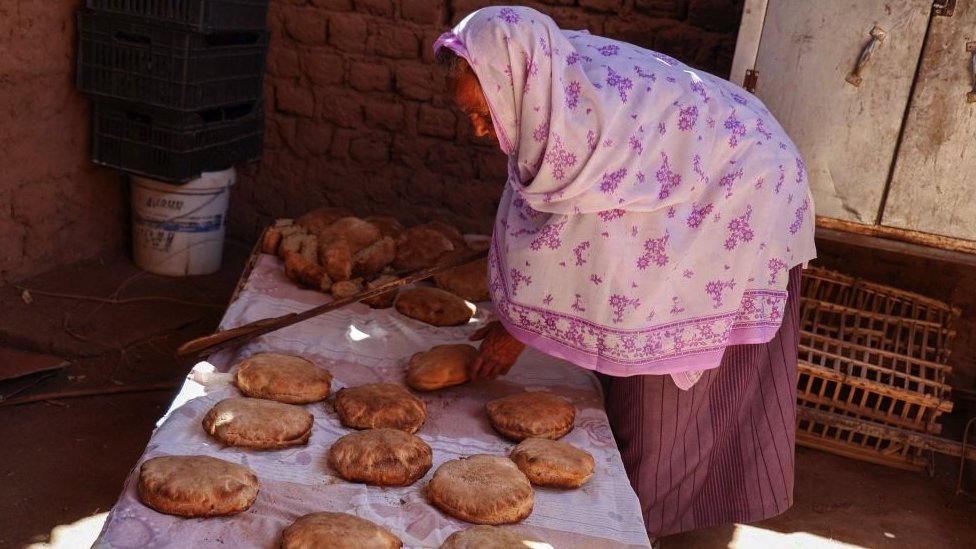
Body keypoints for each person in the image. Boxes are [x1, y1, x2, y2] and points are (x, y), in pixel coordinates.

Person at [433, 5, 816, 545]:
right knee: (632, 362)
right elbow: (549, 217)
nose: (478, 131)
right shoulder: (548, 92)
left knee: (656, 378)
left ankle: (637, 527)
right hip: (706, 176)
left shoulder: (595, 124)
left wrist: (514, 329)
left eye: (483, 114)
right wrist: (516, 314)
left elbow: (592, 246)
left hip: (745, 188)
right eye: (472, 115)